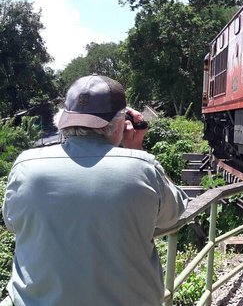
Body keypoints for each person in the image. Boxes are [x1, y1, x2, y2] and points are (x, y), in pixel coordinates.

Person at [2, 75, 189, 306]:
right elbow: (175, 211)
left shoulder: (25, 165)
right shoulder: (143, 167)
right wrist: (136, 149)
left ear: (63, 120)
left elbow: (11, 223)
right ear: (121, 121)